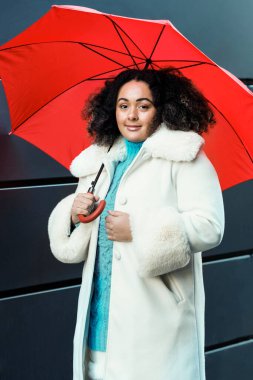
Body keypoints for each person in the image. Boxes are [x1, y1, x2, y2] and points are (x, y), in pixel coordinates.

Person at [48, 68, 225, 380]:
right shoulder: (100, 160)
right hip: (99, 325)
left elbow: (210, 226)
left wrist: (139, 230)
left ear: (162, 109)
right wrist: (74, 215)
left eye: (143, 106)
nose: (131, 115)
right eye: (123, 105)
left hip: (155, 325)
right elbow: (73, 249)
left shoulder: (184, 157)